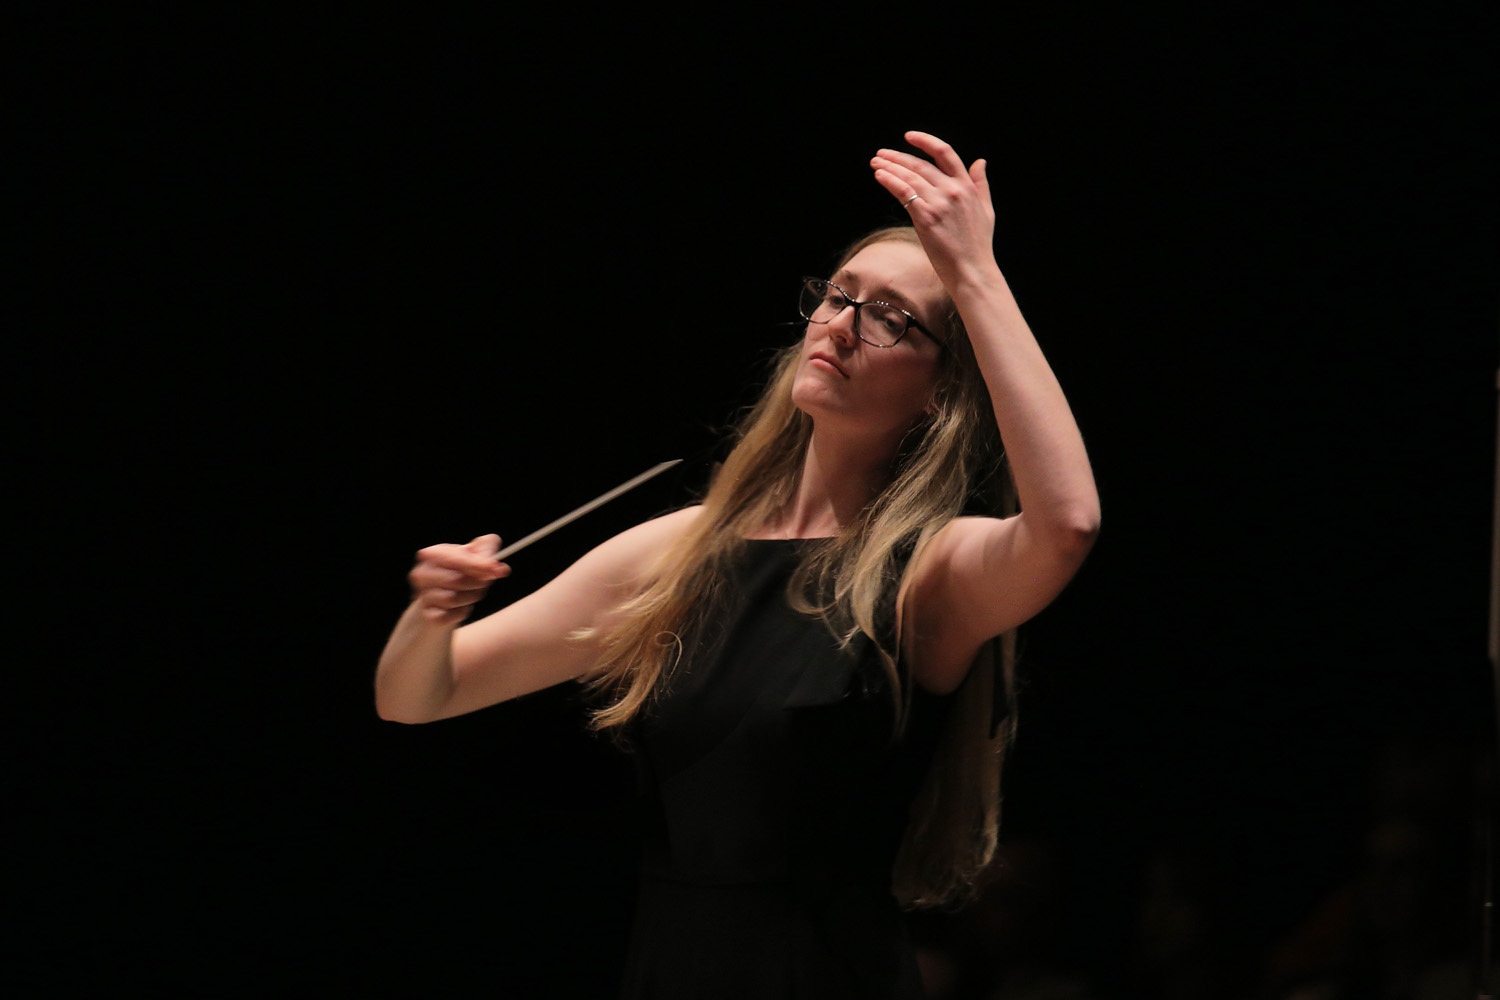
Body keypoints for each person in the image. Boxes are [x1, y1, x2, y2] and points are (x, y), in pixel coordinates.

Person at [375, 130, 1100, 999]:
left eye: (889, 318)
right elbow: (420, 696)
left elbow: (1067, 524)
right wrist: (430, 615)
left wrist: (977, 275)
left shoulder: (927, 574)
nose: (838, 325)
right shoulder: (679, 552)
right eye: (838, 297)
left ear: (941, 390)